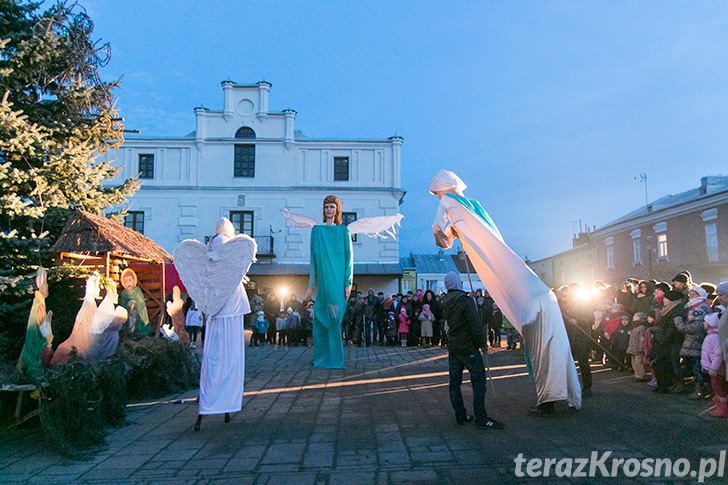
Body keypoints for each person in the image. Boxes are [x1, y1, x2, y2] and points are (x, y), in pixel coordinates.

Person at [430, 169, 581, 414]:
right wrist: (460, 232)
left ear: (443, 189)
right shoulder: (475, 206)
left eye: (436, 193)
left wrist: (445, 233)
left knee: (541, 351)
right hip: (533, 287)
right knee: (552, 348)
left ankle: (549, 401)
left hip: (523, 293)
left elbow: (441, 237)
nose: (437, 198)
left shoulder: (449, 202)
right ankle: (565, 394)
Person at [173, 217, 256, 431]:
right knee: (226, 357)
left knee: (216, 357)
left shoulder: (213, 248)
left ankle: (215, 402)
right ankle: (221, 402)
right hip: (227, 305)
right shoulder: (226, 246)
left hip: (219, 305)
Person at [442, 271, 503, 430]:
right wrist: (482, 343)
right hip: (467, 345)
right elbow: (475, 324)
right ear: (457, 283)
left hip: (454, 346)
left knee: (454, 383)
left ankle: (461, 415)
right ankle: (481, 418)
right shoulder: (465, 300)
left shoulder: (446, 300)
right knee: (478, 381)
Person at [18, 268, 53, 380]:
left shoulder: (39, 301)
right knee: (36, 355)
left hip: (35, 336)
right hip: (36, 339)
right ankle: (33, 374)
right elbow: (40, 322)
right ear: (40, 284)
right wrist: (49, 337)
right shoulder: (39, 302)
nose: (47, 287)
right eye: (45, 284)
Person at [701, 312, 727, 418]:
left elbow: (718, 354)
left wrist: (713, 368)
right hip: (712, 368)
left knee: (719, 387)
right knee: (716, 386)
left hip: (716, 369)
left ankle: (723, 408)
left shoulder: (714, 337)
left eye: (705, 322)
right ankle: (719, 404)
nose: (703, 323)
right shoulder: (710, 335)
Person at [119, 268, 152, 336]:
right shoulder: (124, 293)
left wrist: (135, 304)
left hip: (138, 315)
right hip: (129, 316)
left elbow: (141, 304)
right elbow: (123, 307)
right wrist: (128, 305)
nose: (128, 283)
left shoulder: (137, 290)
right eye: (126, 281)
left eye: (130, 280)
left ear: (133, 281)